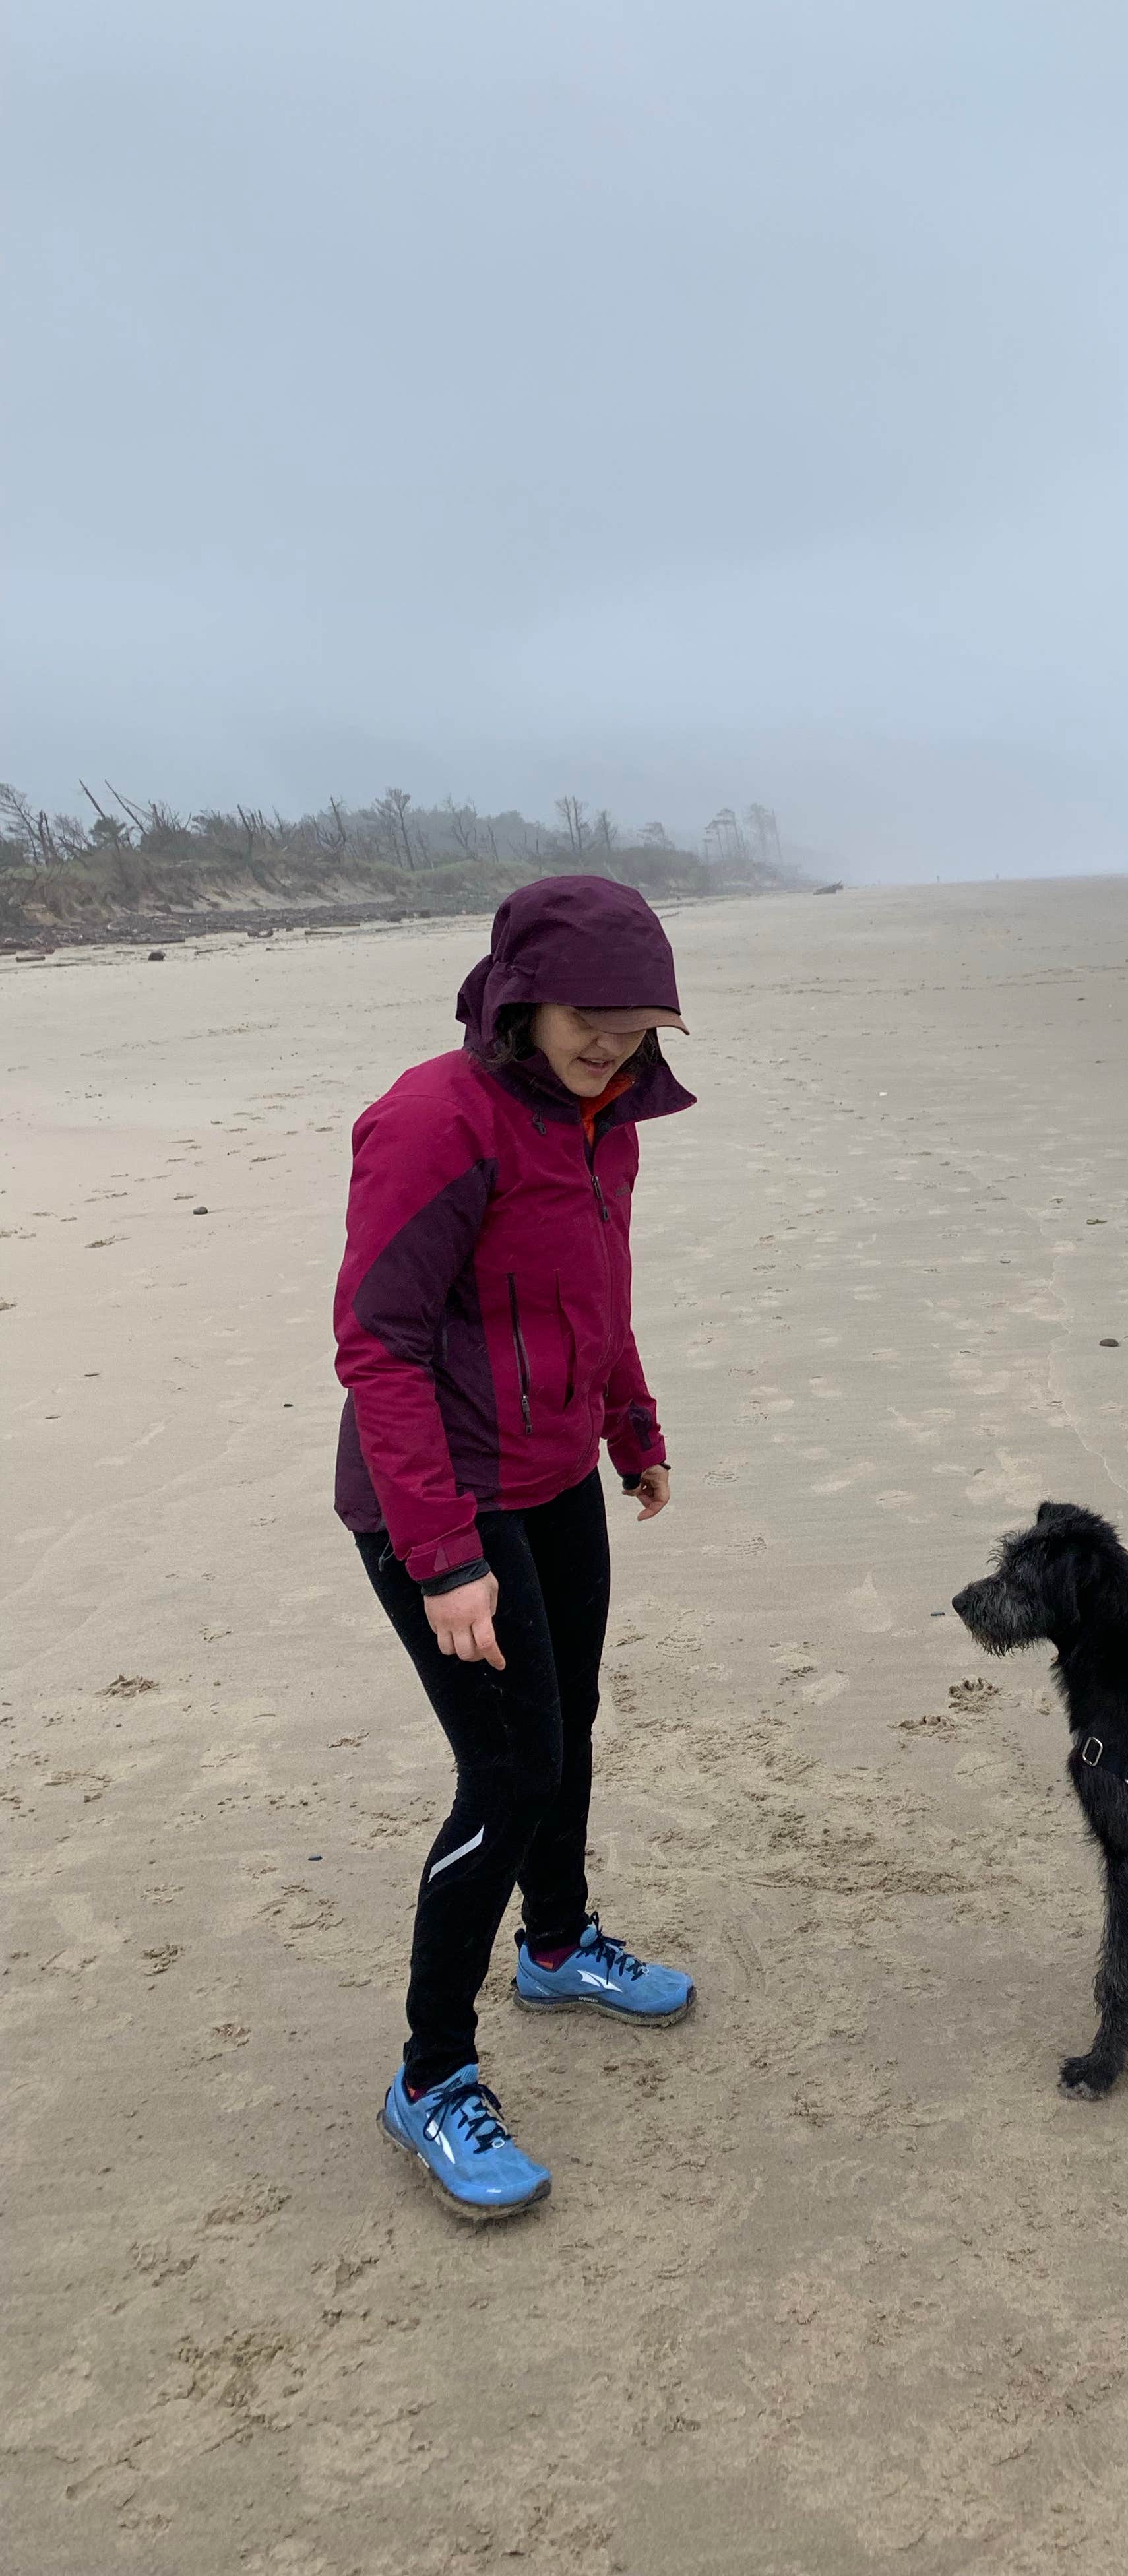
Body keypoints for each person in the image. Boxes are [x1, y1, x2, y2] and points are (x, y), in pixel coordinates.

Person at [334, 873, 699, 2218]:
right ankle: (431, 2078)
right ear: (524, 993)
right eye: (593, 1018)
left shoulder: (609, 1124)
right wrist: (439, 1554)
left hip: (552, 1478)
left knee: (570, 1726)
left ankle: (555, 1947)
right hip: (439, 1500)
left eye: (642, 1023)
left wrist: (633, 1424)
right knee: (508, 1772)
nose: (615, 1043)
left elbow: (595, 1295)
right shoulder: (437, 1118)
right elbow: (380, 1343)